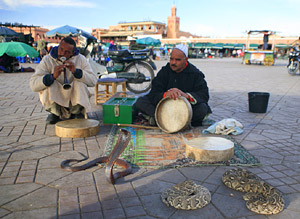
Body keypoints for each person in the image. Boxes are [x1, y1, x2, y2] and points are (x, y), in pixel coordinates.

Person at [135, 44, 212, 127]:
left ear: (186, 60)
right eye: (171, 59)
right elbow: (154, 93)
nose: (173, 62)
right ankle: (162, 118)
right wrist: (165, 95)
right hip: (165, 109)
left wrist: (186, 96)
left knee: (202, 108)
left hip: (185, 110)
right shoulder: (165, 71)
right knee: (141, 101)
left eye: (177, 60)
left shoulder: (195, 74)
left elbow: (204, 95)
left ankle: (175, 120)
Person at [30, 37, 97, 124]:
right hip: (56, 100)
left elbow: (93, 81)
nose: (62, 53)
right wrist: (52, 76)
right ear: (58, 46)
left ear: (72, 52)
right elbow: (33, 85)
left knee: (79, 82)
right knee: (49, 82)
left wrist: (76, 72)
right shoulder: (47, 60)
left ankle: (76, 112)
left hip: (73, 99)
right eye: (61, 49)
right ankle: (55, 113)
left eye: (67, 52)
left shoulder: (81, 59)